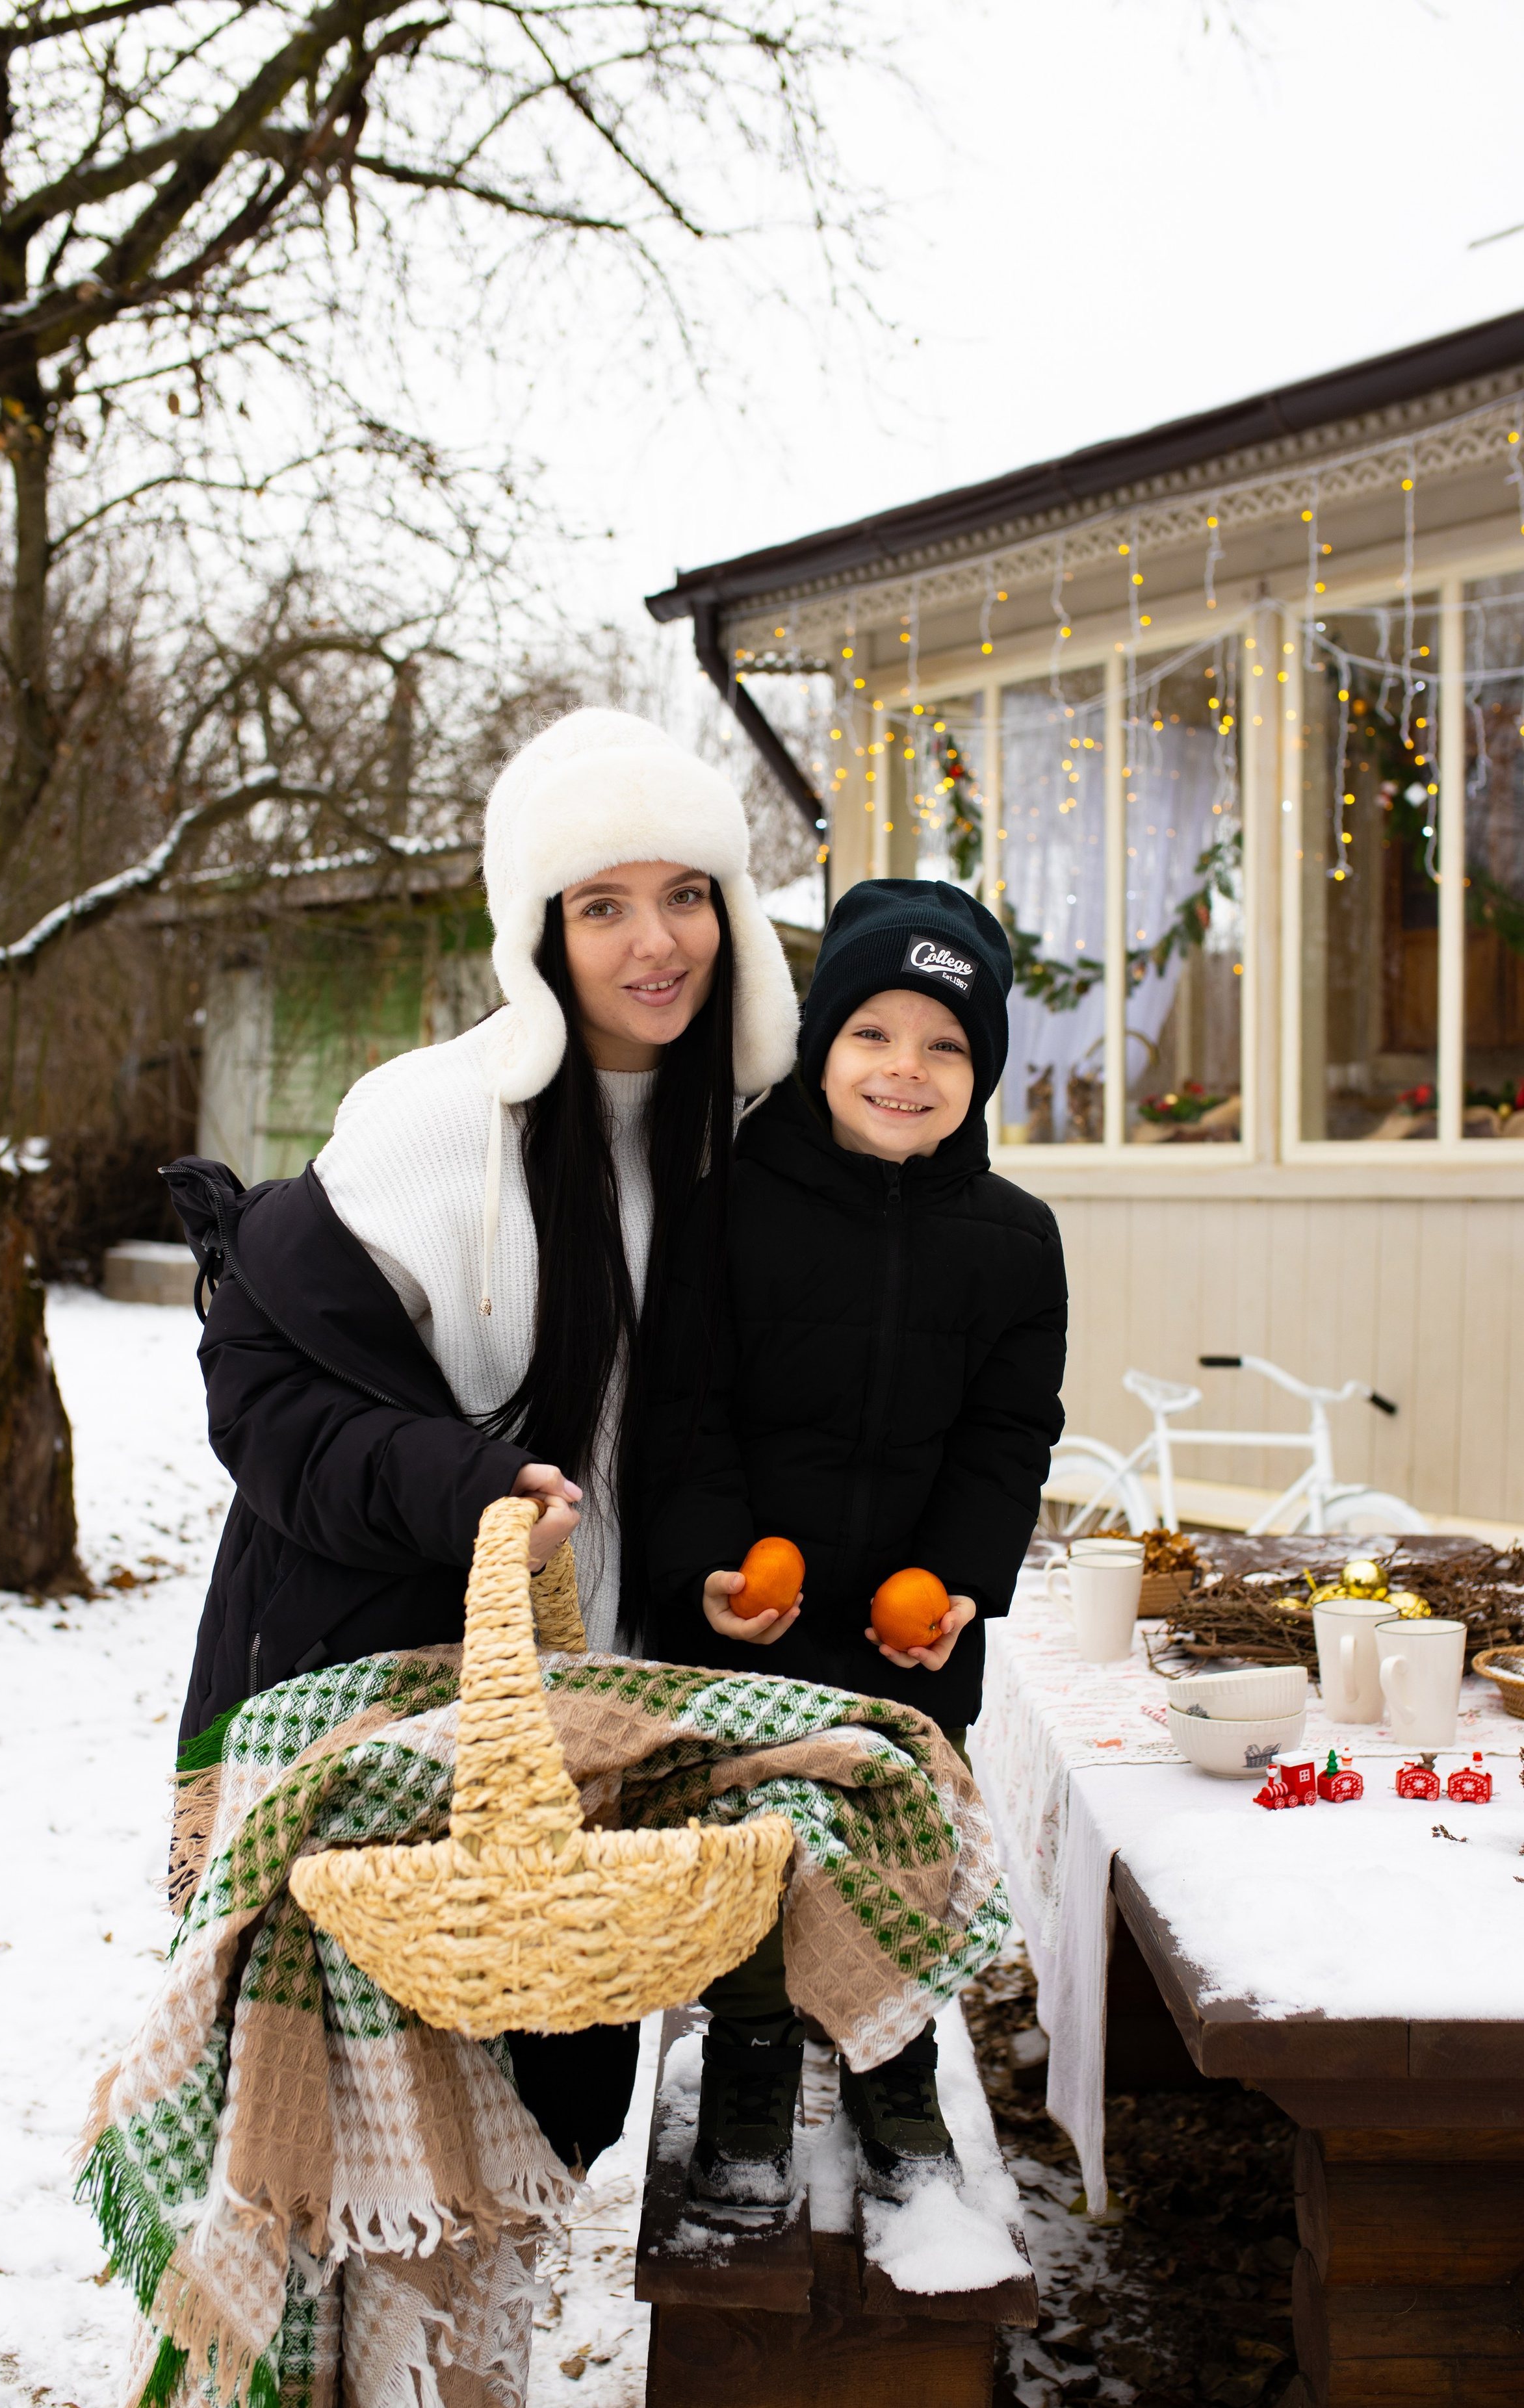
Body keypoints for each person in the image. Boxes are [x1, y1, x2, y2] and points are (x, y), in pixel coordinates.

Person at [163, 706, 800, 2171]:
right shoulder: (437, 1122)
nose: (659, 941)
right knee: (366, 2144)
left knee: (545, 2125)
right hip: (377, 1688)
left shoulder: (736, 1137)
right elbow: (263, 1399)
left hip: (587, 1705)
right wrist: (465, 1486)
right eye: (603, 905)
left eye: (688, 893)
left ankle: (465, 2406)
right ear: (537, 933)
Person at [647, 877, 1067, 2204]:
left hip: (906, 1617)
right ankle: (752, 2061)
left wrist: (953, 1581)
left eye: (945, 1044)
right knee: (753, 1844)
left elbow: (1009, 1437)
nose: (906, 1068)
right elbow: (685, 1406)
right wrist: (709, 1562)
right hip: (749, 1612)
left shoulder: (1012, 1243)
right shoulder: (725, 1203)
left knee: (897, 1847)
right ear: (821, 1045)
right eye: (872, 1033)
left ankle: (893, 2060)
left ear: (979, 1072)